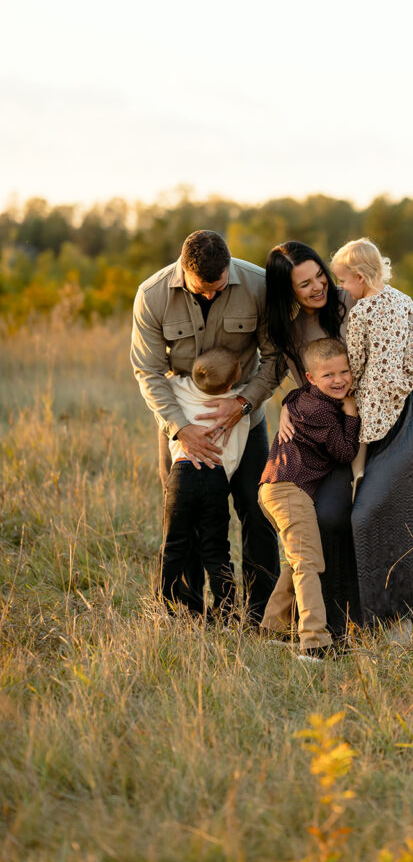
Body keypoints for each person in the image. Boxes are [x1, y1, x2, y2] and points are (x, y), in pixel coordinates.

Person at [265, 240, 413, 633]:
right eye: (303, 283)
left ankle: (399, 617)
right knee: (328, 515)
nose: (317, 287)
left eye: (319, 275)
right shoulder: (294, 333)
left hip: (396, 415)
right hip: (343, 433)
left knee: (380, 509)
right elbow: (307, 385)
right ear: (287, 291)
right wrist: (288, 405)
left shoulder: (358, 293)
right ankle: (339, 618)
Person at [131, 229, 281, 624]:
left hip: (246, 418)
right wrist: (180, 429)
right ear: (184, 270)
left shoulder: (260, 287)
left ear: (229, 266)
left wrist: (244, 403)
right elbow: (147, 370)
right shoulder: (152, 295)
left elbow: (275, 356)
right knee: (184, 516)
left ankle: (260, 613)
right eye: (203, 288)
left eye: (219, 286)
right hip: (182, 422)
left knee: (258, 510)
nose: (212, 294)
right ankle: (188, 613)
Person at [259, 337, 360, 660]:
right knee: (309, 563)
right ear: (312, 378)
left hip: (277, 488)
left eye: (345, 371)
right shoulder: (320, 411)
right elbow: (345, 451)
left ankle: (274, 627)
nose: (339, 380)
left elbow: (290, 395)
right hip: (289, 490)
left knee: (296, 559)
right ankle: (314, 642)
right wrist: (352, 411)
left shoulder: (302, 398)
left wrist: (287, 406)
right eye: (329, 375)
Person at [330, 236, 413, 495]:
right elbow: (412, 333)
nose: (342, 287)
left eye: (343, 281)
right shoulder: (400, 298)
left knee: (360, 425)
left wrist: (354, 383)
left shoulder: (360, 312)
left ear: (360, 277)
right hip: (403, 372)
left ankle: (357, 472)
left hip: (376, 382)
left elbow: (358, 356)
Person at [161, 347, 250, 618]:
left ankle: (164, 601)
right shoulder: (235, 407)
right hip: (215, 478)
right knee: (216, 547)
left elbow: (166, 378)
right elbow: (234, 454)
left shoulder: (178, 388)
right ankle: (226, 609)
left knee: (174, 544)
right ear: (233, 382)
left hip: (181, 476)